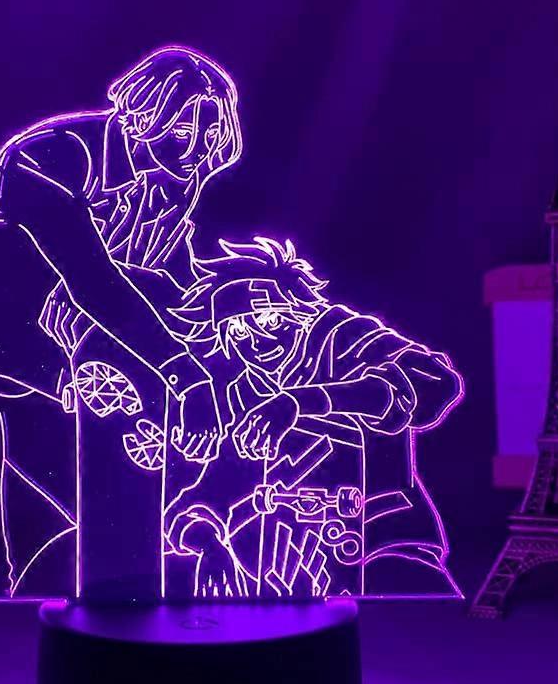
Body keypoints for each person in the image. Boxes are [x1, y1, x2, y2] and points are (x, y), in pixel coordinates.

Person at [0, 46, 243, 599]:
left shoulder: (171, 184)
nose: (196, 152)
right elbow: (95, 282)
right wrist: (185, 375)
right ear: (144, 113)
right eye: (183, 131)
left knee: (124, 526)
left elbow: (161, 286)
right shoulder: (47, 158)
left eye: (210, 137)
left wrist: (246, 326)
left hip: (54, 385)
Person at [166, 237, 464, 597]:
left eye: (270, 319)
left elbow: (434, 382)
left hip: (383, 539)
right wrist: (209, 543)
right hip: (291, 575)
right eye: (239, 331)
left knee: (408, 608)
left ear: (299, 310)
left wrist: (300, 402)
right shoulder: (243, 393)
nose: (258, 341)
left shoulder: (342, 336)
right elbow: (206, 495)